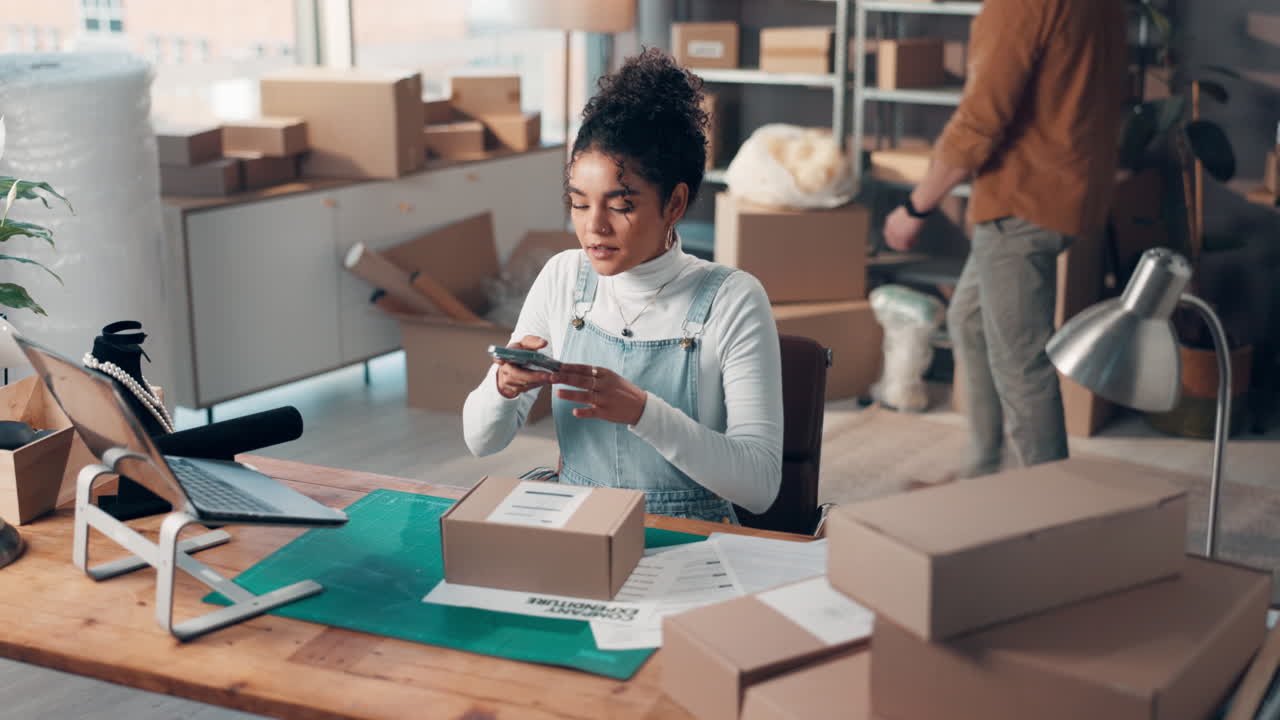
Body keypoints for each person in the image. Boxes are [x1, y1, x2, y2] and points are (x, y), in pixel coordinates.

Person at [463, 49, 783, 522]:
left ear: (674, 204)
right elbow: (480, 442)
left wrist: (642, 412)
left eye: (620, 206)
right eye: (579, 203)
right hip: (579, 526)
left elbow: (760, 487)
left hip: (691, 541)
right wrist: (502, 387)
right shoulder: (563, 277)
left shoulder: (733, 300)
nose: (594, 227)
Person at [882, 0, 1127, 478]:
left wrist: (916, 207)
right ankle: (982, 472)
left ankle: (1048, 505)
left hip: (1024, 200)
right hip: (1073, 186)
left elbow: (981, 118)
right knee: (969, 319)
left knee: (1022, 365)